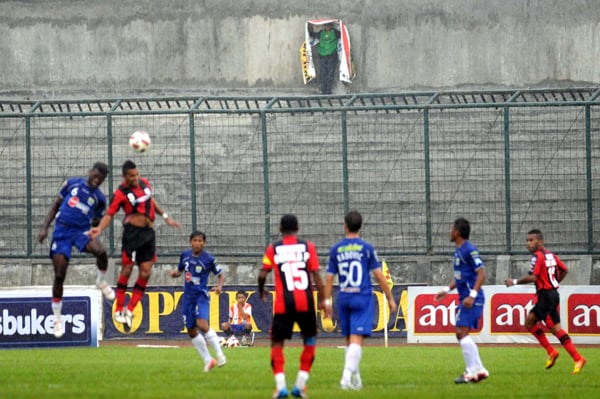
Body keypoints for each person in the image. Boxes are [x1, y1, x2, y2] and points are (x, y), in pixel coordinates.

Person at [88, 159, 180, 328]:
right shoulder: (120, 193)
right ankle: (118, 309)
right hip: (132, 234)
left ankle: (129, 310)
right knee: (127, 269)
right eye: (132, 176)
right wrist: (99, 229)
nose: (136, 177)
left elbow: (150, 201)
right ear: (125, 177)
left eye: (137, 174)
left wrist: (166, 217)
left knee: (145, 272)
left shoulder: (144, 183)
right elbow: (109, 214)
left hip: (148, 234)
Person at [38, 162, 115, 338]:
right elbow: (56, 205)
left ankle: (101, 281)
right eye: (95, 176)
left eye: (101, 179)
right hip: (62, 231)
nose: (97, 180)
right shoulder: (72, 184)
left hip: (81, 232)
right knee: (59, 275)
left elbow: (97, 219)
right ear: (90, 172)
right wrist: (44, 227)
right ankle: (57, 318)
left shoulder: (100, 199)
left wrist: (96, 224)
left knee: (101, 252)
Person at [323, 210, 397, 391]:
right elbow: (379, 275)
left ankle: (356, 378)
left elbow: (330, 278)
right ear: (361, 227)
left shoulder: (337, 249)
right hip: (361, 297)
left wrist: (326, 302)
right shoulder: (366, 248)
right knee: (357, 340)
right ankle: (346, 377)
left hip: (344, 297)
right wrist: (389, 297)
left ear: (345, 226)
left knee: (349, 339)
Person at [258, 214, 326, 399]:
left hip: (283, 305)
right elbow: (317, 276)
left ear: (280, 228)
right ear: (297, 228)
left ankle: (281, 387)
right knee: (310, 340)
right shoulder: (308, 247)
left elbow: (263, 273)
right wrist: (324, 300)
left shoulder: (274, 248)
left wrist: (261, 290)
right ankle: (300, 385)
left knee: (277, 343)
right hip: (306, 302)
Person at [505, 229, 586, 374]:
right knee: (534, 323)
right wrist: (554, 284)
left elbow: (533, 277)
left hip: (546, 296)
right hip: (551, 294)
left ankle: (576, 357)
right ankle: (555, 352)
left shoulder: (537, 256)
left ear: (540, 242)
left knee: (551, 328)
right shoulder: (551, 255)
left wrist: (514, 281)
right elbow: (565, 269)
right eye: (527, 240)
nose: (528, 243)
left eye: (531, 240)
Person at [434, 217, 489, 384]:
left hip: (472, 299)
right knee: (461, 334)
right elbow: (461, 277)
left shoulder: (468, 250)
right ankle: (479, 370)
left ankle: (471, 371)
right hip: (465, 298)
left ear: (457, 232)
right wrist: (446, 290)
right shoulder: (459, 251)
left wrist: (472, 295)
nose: (449, 231)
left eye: (451, 228)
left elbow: (482, 273)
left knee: (461, 333)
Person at [169, 231, 227, 371]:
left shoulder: (208, 259)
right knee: (191, 330)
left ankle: (220, 355)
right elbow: (180, 270)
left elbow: (220, 274)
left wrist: (219, 287)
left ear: (204, 243)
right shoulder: (185, 255)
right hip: (188, 297)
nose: (197, 243)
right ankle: (208, 360)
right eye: (195, 240)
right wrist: (175, 274)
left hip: (201, 296)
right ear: (191, 242)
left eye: (200, 241)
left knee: (202, 324)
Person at [310, 23, 340, 94]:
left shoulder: (335, 32)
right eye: (326, 25)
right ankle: (323, 89)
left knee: (330, 73)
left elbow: (342, 34)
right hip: (322, 56)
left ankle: (328, 90)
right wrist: (309, 27)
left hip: (331, 56)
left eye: (329, 25)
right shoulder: (321, 33)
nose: (327, 27)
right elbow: (312, 34)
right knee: (323, 73)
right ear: (324, 26)